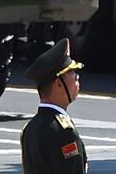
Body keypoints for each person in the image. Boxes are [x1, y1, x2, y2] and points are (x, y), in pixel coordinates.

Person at [20, 38, 87, 173]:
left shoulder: (30, 128)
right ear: (59, 83)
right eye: (71, 71)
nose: (77, 77)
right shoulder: (63, 132)